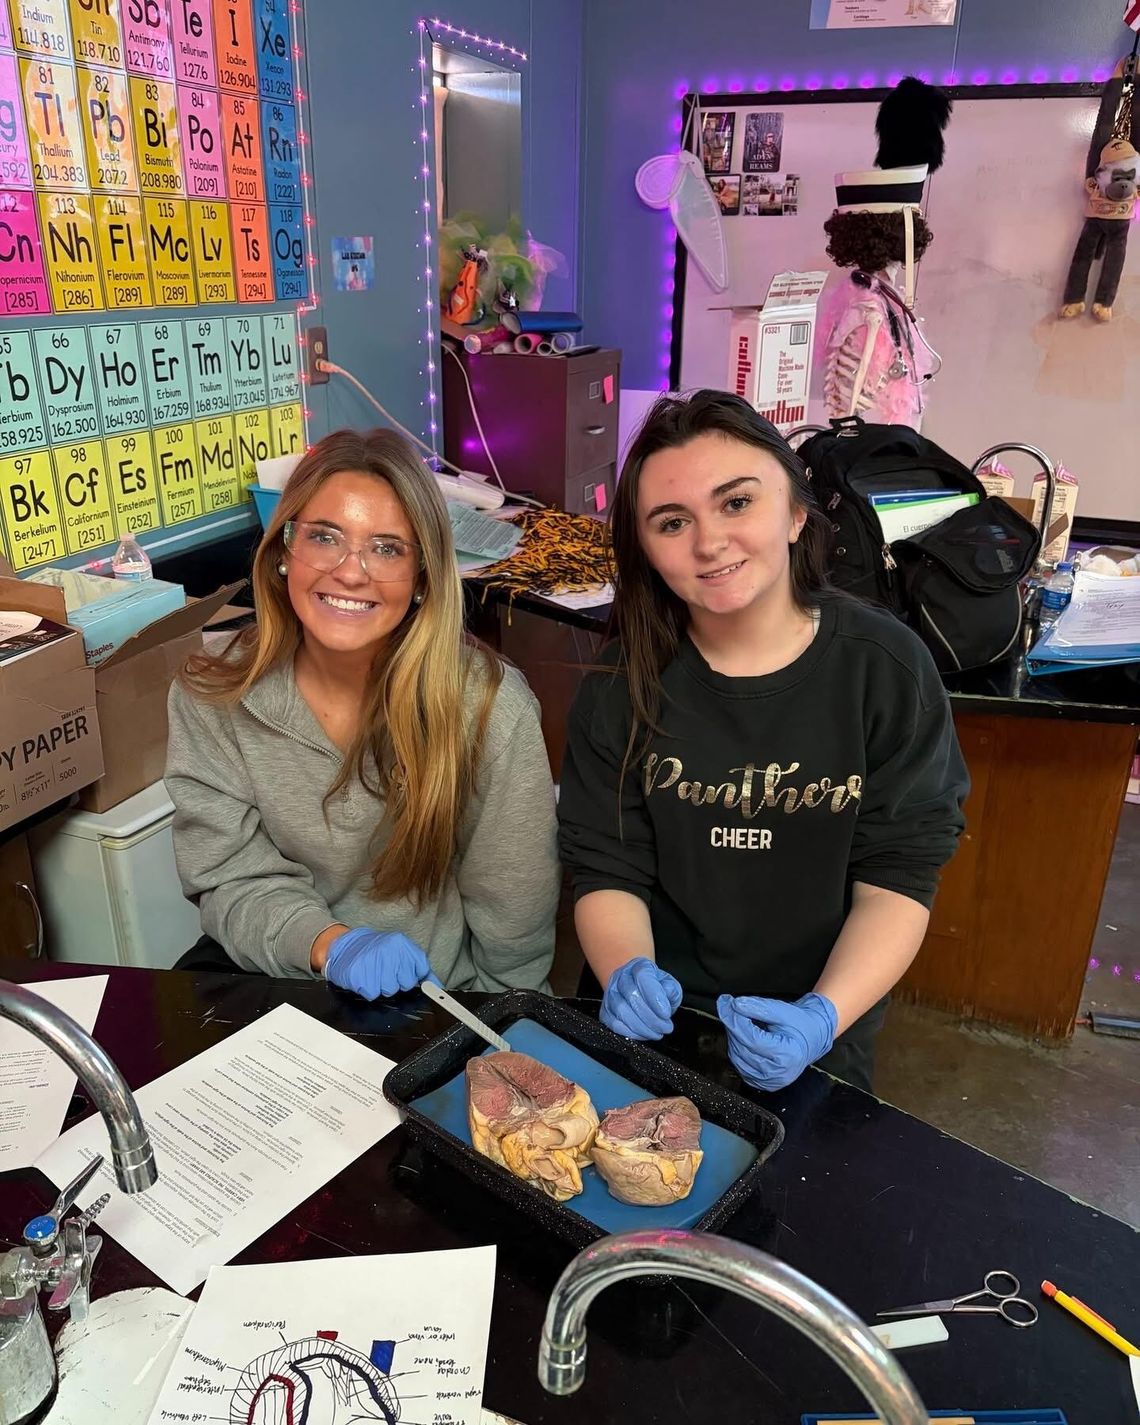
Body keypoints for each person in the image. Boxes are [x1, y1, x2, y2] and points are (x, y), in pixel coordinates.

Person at [557, 391, 968, 1092]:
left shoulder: (884, 668)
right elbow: (607, 865)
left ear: (797, 513)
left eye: (737, 502)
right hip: (657, 1022)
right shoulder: (621, 681)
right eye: (672, 521)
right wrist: (624, 968)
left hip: (819, 1019)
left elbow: (900, 874)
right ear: (645, 549)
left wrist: (823, 1014)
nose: (709, 541)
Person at [167, 428, 560, 998]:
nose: (351, 572)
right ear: (283, 551)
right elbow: (229, 876)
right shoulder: (213, 691)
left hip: (437, 998)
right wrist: (329, 942)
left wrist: (510, 1030)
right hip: (280, 974)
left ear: (423, 578)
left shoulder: (491, 708)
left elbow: (513, 914)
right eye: (326, 537)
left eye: (387, 548)